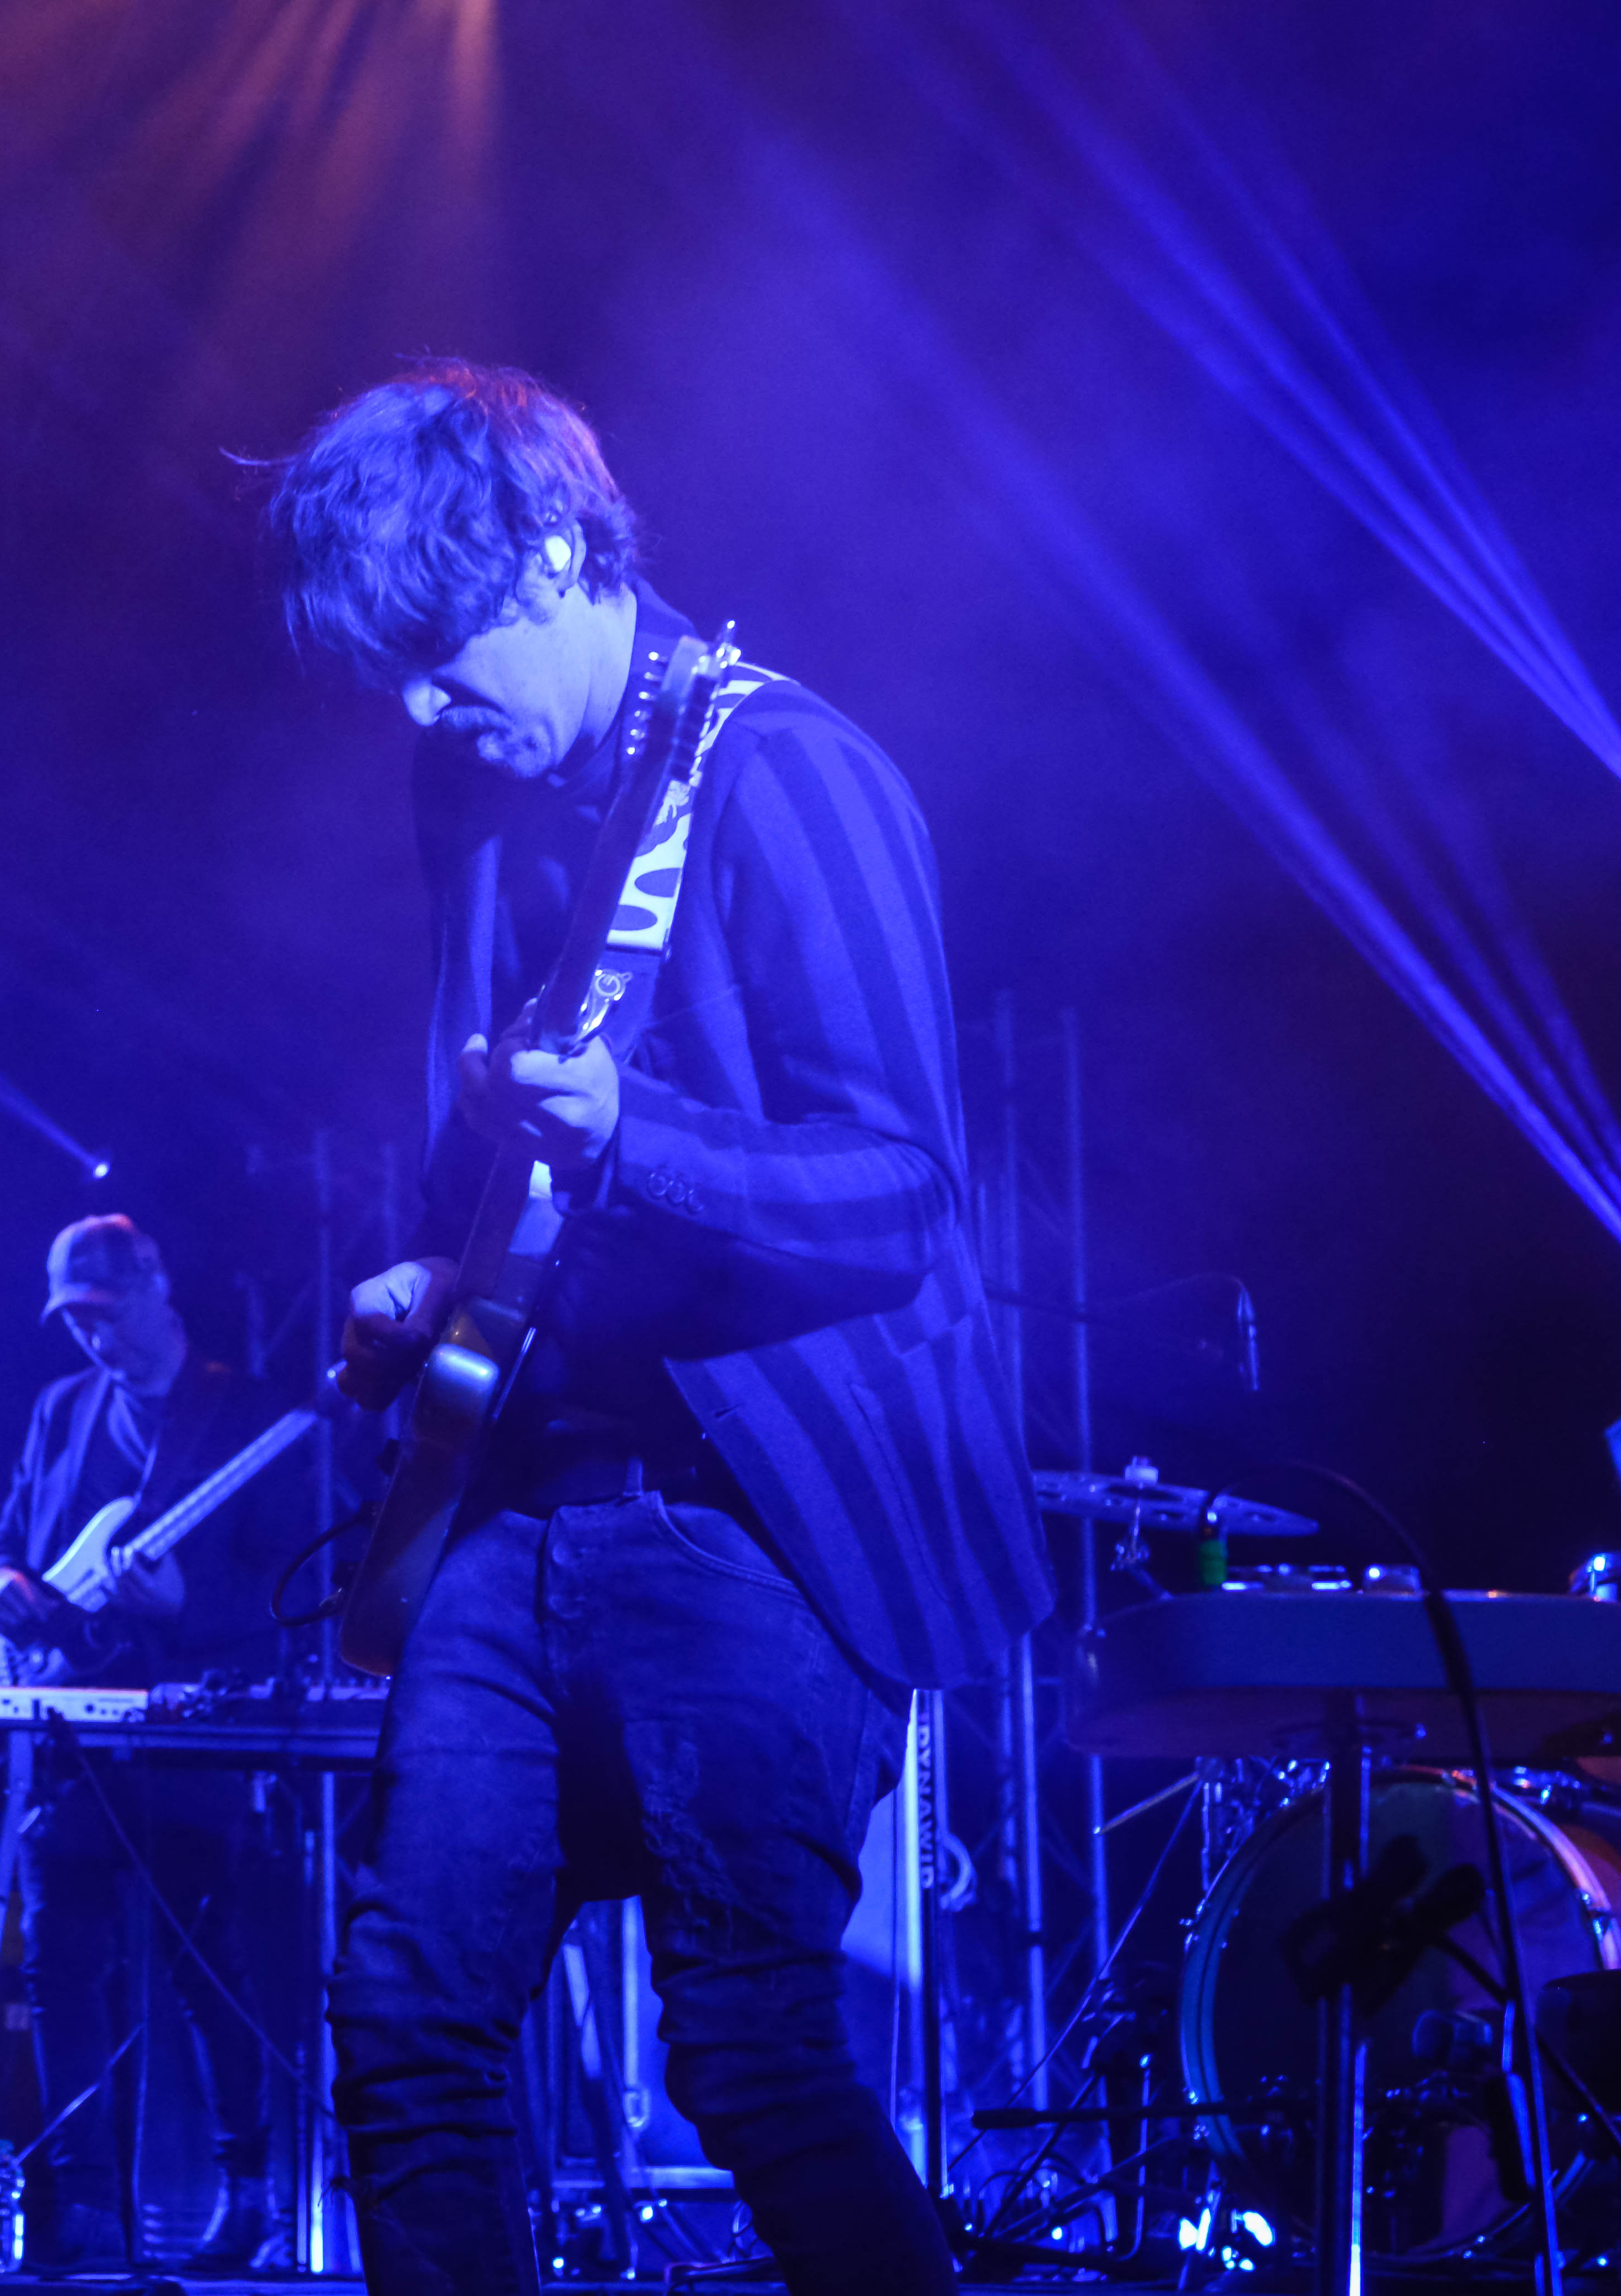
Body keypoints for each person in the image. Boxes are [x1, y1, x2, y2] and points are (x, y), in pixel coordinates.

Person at [263, 366, 1051, 2295]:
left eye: (439, 655)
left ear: (556, 552)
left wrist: (643, 1138)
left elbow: (901, 1196)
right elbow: (506, 1157)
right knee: (405, 2024)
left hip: (748, 1516)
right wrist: (432, 1280)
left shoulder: (791, 772)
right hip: (519, 1502)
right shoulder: (478, 798)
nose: (419, 711)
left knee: (751, 2046)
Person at [0, 1214, 306, 2278]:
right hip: (64, 1733)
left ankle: (246, 2195)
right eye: (76, 1322)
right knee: (59, 1968)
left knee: (205, 1964)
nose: (94, 1339)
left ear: (156, 1285)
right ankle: (87, 2212)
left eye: (107, 1315)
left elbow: (298, 1583)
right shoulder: (60, 1408)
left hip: (184, 1730)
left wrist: (185, 1604)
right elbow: (5, 1541)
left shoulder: (249, 1415)